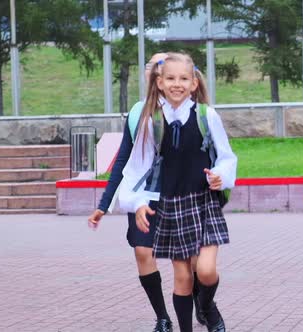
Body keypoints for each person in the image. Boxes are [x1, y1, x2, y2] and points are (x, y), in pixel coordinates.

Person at [121, 52, 237, 332]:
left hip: (203, 203)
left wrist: (220, 176)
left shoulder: (207, 116)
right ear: (159, 82)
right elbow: (138, 168)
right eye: (171, 78)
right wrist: (137, 203)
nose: (177, 84)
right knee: (183, 277)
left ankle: (207, 307)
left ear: (194, 83)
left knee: (206, 271)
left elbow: (226, 157)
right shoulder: (152, 121)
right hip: (170, 207)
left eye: (184, 78)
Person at [87, 53, 174, 332]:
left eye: (162, 66)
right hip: (143, 196)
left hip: (178, 194)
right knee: (142, 251)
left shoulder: (187, 107)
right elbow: (123, 159)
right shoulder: (137, 112)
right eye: (151, 66)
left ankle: (203, 303)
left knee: (190, 261)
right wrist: (103, 203)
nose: (155, 70)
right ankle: (162, 317)